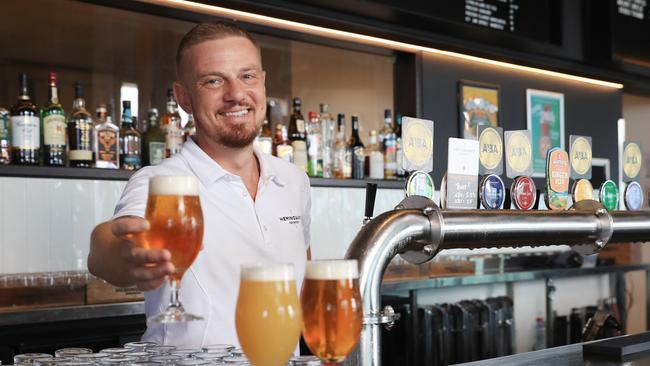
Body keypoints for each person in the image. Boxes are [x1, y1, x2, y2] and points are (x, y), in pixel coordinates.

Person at [88, 21, 311, 347]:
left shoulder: (294, 181)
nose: (236, 94)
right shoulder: (159, 182)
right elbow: (104, 250)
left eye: (247, 76)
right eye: (213, 81)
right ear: (184, 98)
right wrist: (126, 256)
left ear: (262, 82)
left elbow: (300, 286)